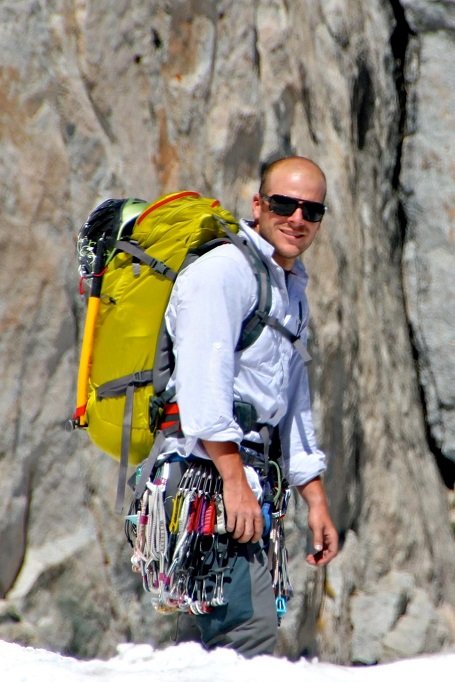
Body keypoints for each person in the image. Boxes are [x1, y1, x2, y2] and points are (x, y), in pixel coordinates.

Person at [148, 155, 338, 657]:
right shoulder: (223, 272)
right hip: (206, 476)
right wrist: (233, 480)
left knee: (227, 642)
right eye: (284, 204)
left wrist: (314, 497)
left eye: (311, 211)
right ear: (258, 205)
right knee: (245, 639)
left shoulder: (289, 288)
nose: (297, 218)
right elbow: (202, 386)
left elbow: (292, 399)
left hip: (248, 482)